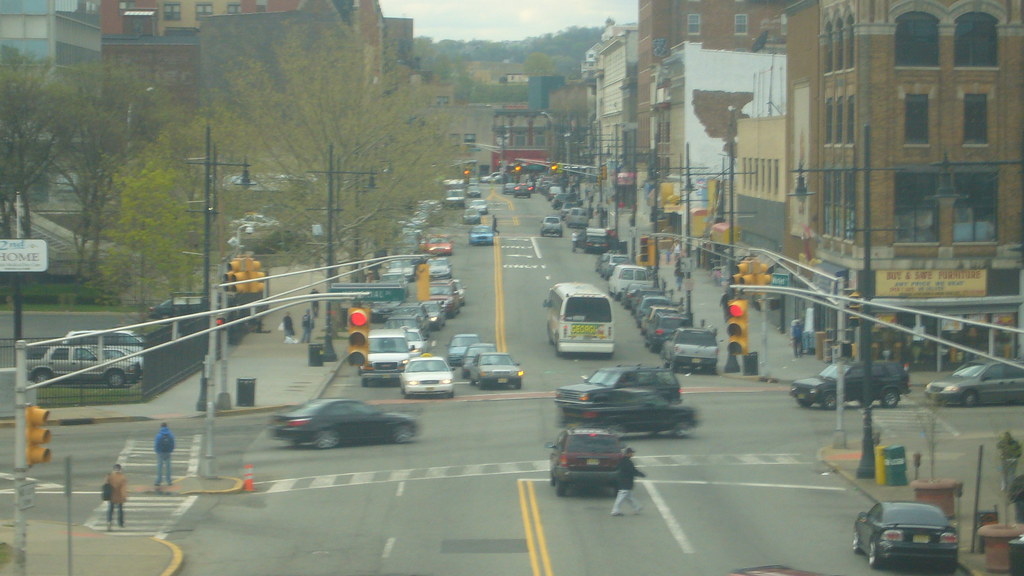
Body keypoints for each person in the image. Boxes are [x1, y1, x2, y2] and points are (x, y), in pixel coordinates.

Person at [611, 447, 645, 516]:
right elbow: (632, 471)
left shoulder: (623, 461)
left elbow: (618, 468)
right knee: (622, 495)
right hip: (625, 481)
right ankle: (615, 510)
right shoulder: (626, 462)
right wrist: (640, 474)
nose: (633, 454)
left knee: (628, 496)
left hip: (624, 481)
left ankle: (637, 507)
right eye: (632, 453)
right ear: (628, 453)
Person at [105, 463, 128, 529]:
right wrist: (125, 496)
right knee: (120, 510)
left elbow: (106, 485)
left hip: (111, 496)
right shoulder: (122, 477)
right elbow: (123, 488)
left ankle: (109, 521)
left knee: (110, 509)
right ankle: (121, 523)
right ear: (120, 469)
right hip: (119, 496)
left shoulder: (110, 476)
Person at [154, 422, 175, 488]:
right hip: (168, 452)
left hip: (160, 453)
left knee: (159, 468)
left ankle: (158, 481)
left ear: (161, 427)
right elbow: (173, 443)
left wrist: (157, 451)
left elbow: (156, 444)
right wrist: (170, 450)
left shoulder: (159, 435)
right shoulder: (170, 435)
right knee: (168, 468)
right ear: (167, 426)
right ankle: (169, 481)